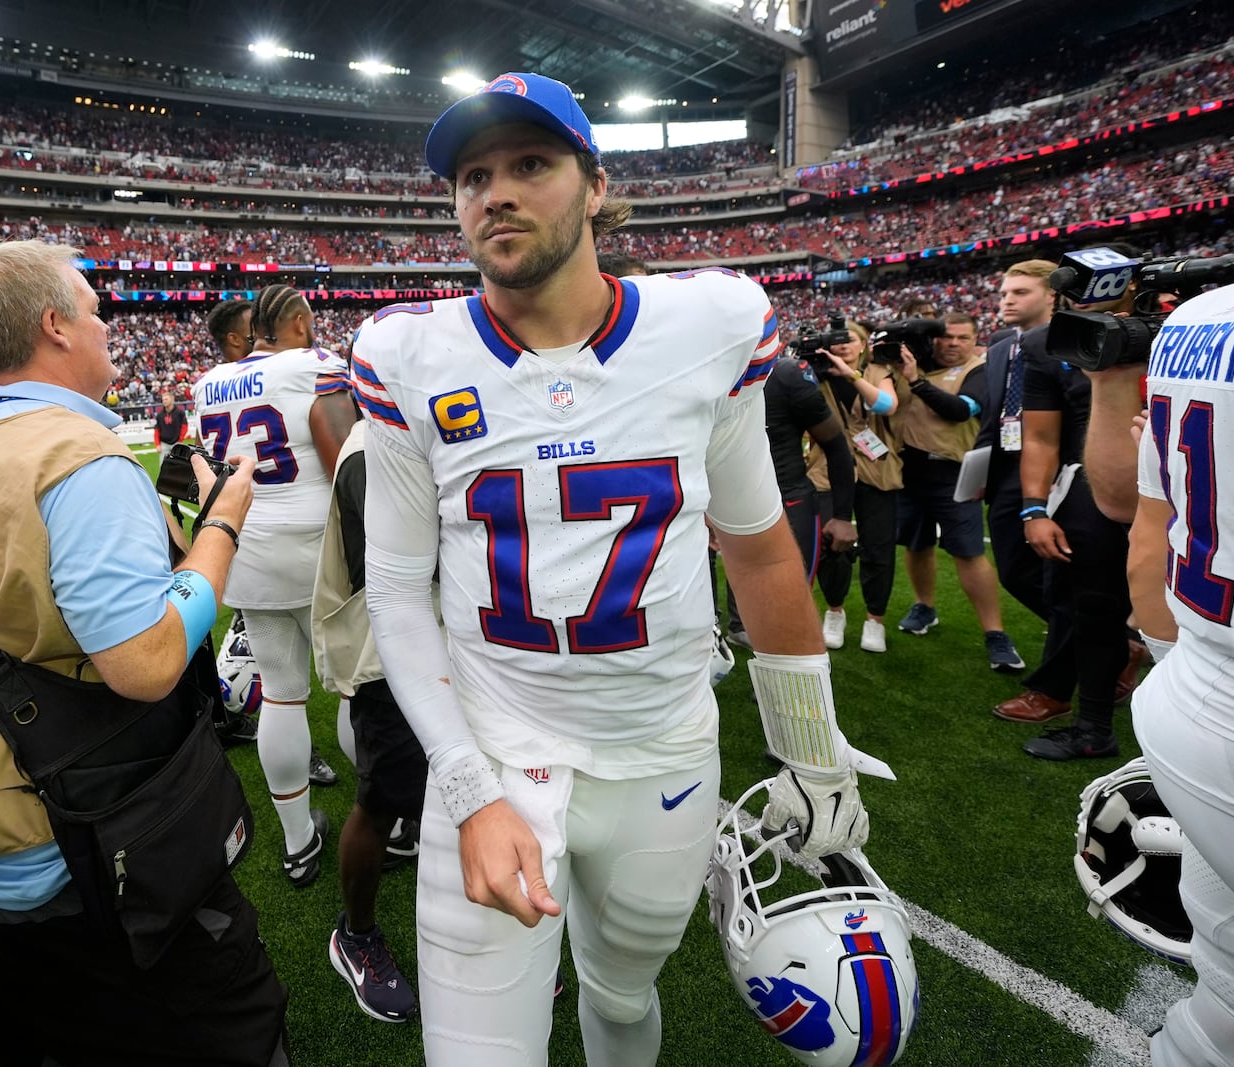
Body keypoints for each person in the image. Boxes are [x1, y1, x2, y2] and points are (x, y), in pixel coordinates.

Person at [357, 72, 878, 1066]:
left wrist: (809, 743)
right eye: (471, 175)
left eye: (528, 165)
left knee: (624, 996)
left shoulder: (708, 326)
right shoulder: (405, 352)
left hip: (662, 751)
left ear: (594, 185)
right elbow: (393, 585)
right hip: (498, 747)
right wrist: (468, 787)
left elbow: (759, 545)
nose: (493, 192)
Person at [0, 238, 288, 1066]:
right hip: (65, 844)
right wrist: (222, 521)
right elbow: (146, 663)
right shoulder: (75, 454)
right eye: (97, 313)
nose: (108, 330)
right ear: (55, 325)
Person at [191, 284, 358, 888]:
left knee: (283, 695)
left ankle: (297, 842)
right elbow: (350, 449)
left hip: (248, 547)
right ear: (295, 321)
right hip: (318, 547)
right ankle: (387, 822)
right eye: (309, 322)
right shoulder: (314, 364)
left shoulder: (207, 382)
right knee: (353, 688)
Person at [1125, 277, 1234, 1066]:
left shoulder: (1195, 318)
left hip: (1191, 681)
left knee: (1228, 993)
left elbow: (1147, 533)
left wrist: (1175, 674)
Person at [312, 417, 426, 1024]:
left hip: (452, 643)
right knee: (381, 798)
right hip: (397, 652)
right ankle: (355, 935)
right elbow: (392, 578)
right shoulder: (374, 448)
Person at [1013, 316, 1133, 759]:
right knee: (1095, 608)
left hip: (1190, 480)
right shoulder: (1053, 343)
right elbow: (1041, 436)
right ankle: (1094, 725)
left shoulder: (1183, 323)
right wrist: (1034, 508)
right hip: (1097, 483)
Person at [978, 261, 1091, 723]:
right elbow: (995, 415)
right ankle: (1101, 639)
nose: (1007, 299)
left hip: (1064, 472)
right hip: (1007, 468)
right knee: (1014, 570)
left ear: (1052, 296)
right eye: (1004, 292)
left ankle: (1060, 676)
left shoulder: (1078, 340)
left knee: (1063, 577)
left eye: (1021, 292)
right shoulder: (1000, 347)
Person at [890, 312, 1024, 671]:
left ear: (974, 340)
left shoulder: (979, 370)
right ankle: (924, 606)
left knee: (968, 552)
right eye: (947, 337)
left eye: (962, 338)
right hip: (909, 469)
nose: (953, 344)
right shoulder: (912, 366)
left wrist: (916, 381)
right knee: (917, 544)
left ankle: (995, 633)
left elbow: (960, 410)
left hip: (953, 472)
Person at [722, 351, 856, 646]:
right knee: (739, 585)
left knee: (788, 600)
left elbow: (835, 444)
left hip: (787, 499)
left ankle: (786, 684)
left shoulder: (786, 375)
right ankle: (738, 627)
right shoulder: (703, 371)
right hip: (728, 500)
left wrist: (843, 515)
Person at [809, 319, 901, 652]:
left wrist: (852, 375)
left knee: (879, 547)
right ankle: (835, 611)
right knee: (830, 545)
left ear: (863, 344)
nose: (844, 345)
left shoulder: (877, 372)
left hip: (876, 468)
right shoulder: (813, 374)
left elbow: (886, 405)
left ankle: (875, 619)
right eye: (836, 340)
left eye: (850, 339)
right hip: (826, 470)